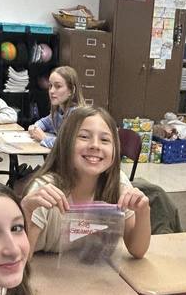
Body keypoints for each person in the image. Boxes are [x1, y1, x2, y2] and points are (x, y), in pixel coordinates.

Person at [21, 107, 151, 258]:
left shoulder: (117, 183)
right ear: (65, 143)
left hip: (86, 275)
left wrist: (143, 212)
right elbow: (21, 262)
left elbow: (137, 251)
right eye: (83, 136)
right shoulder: (45, 191)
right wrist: (27, 210)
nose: (95, 145)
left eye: (105, 140)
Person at [28, 66, 85, 148]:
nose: (51, 91)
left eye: (58, 86)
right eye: (50, 86)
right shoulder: (59, 111)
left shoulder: (76, 115)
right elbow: (45, 122)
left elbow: (68, 145)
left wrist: (43, 138)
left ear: (71, 90)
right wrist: (35, 128)